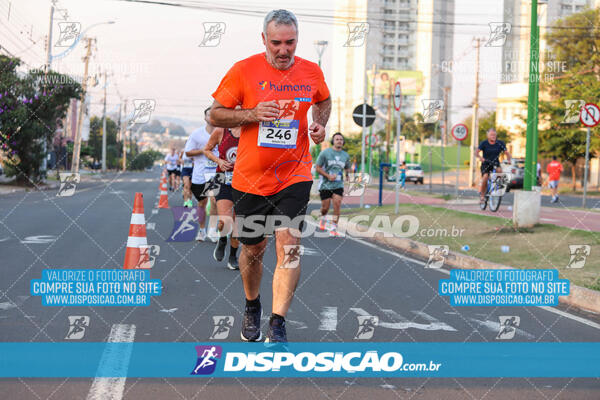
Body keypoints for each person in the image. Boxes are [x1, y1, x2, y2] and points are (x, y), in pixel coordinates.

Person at [209, 9, 331, 342]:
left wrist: (319, 124)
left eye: (290, 42)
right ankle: (252, 305)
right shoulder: (243, 70)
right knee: (253, 250)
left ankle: (278, 321)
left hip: (295, 173)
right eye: (276, 42)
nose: (283, 50)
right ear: (264, 39)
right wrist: (250, 113)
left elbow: (323, 100)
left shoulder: (311, 71)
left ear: (297, 40)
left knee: (289, 243)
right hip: (250, 178)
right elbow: (216, 114)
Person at [203, 117, 241, 270]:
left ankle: (232, 256)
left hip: (243, 181)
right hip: (222, 179)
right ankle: (222, 239)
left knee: (238, 223)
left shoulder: (250, 133)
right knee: (224, 222)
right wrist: (218, 161)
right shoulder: (221, 131)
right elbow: (207, 150)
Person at [184, 110, 214, 241]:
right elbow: (187, 153)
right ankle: (202, 230)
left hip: (216, 173)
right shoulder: (197, 134)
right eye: (209, 114)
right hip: (200, 174)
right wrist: (203, 150)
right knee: (202, 204)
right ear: (205, 117)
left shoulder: (223, 132)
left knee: (215, 201)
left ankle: (213, 230)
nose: (211, 116)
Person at [315, 132, 351, 236]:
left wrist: (348, 175)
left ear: (343, 142)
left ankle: (334, 228)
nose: (339, 141)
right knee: (325, 207)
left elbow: (347, 167)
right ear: (333, 141)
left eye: (341, 139)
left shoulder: (345, 155)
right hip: (325, 184)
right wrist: (328, 176)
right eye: (337, 139)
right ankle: (323, 217)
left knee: (337, 203)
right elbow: (317, 168)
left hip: (338, 184)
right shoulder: (325, 153)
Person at [477, 128, 511, 203]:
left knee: (499, 171)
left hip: (495, 162)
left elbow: (506, 153)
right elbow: (476, 152)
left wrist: (509, 160)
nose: (493, 136)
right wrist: (480, 158)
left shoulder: (500, 143)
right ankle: (482, 196)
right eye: (491, 135)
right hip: (486, 163)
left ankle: (498, 187)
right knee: (485, 177)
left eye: (494, 135)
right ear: (488, 136)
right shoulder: (484, 143)